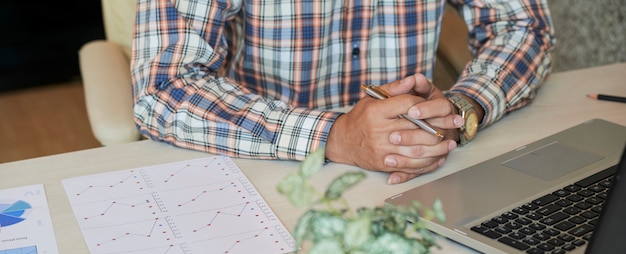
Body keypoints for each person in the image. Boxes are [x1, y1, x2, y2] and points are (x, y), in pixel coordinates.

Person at [131, 0, 555, 185]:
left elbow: (523, 26)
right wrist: (335, 136)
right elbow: (163, 86)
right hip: (271, 169)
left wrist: (459, 111)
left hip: (417, 173)